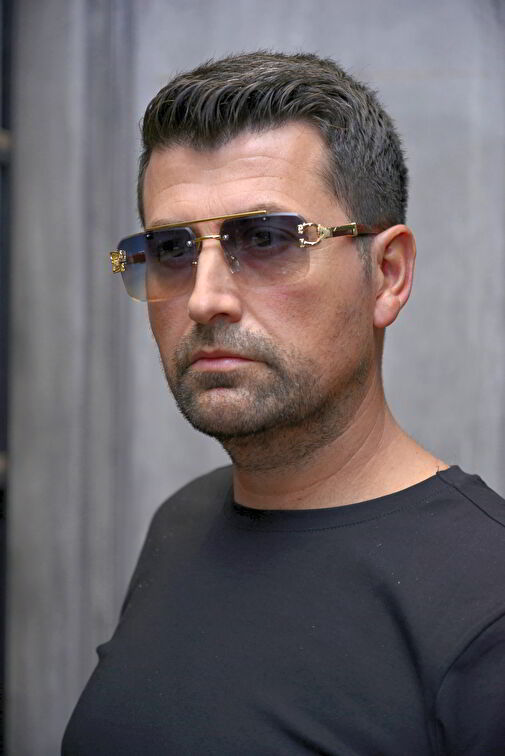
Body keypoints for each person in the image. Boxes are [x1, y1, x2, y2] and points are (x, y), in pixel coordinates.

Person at [62, 51, 505, 755]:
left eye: (266, 239)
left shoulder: (486, 604)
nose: (204, 298)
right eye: (171, 249)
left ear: (387, 275)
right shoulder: (183, 520)